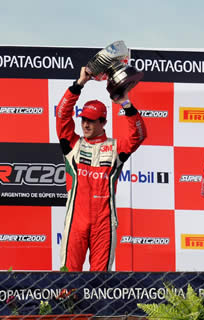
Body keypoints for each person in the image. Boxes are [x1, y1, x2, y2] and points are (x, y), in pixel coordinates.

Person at [56, 66, 147, 271]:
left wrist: (124, 102)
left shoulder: (116, 148)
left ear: (103, 122)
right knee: (68, 279)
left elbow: (138, 135)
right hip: (76, 222)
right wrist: (79, 84)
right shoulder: (73, 145)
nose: (86, 124)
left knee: (99, 283)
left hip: (104, 224)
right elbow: (62, 115)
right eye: (84, 119)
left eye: (91, 120)